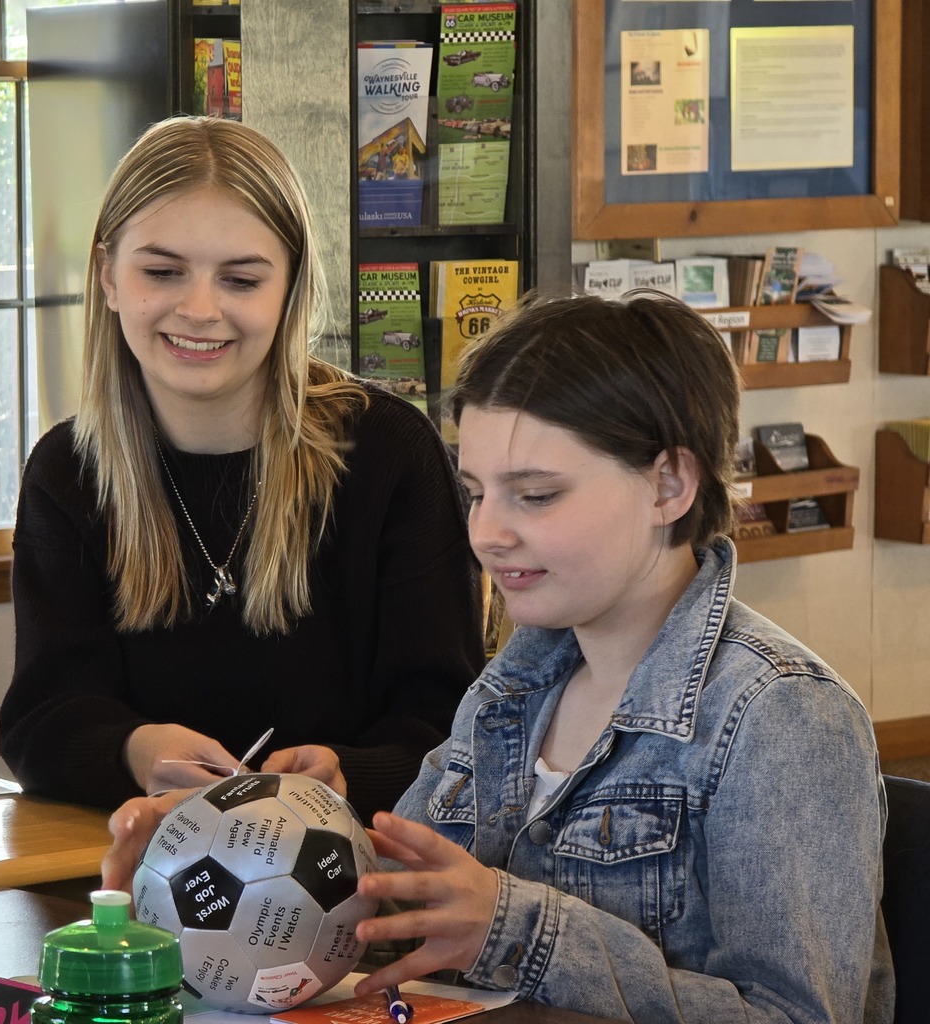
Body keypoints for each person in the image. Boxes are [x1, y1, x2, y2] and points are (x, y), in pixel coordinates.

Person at [101, 292, 894, 1022]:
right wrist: (220, 866)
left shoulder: (785, 716)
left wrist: (515, 928)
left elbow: (796, 1016)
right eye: (477, 492)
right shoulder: (512, 689)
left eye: (536, 495)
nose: (487, 533)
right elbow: (387, 919)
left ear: (670, 485)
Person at [0, 116, 484, 825]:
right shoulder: (67, 471)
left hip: (354, 877)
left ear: (289, 286)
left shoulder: (388, 454)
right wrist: (133, 750)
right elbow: (41, 720)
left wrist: (346, 775)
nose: (200, 310)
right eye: (161, 272)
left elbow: (450, 726)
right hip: (132, 883)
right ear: (107, 276)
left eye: (242, 279)